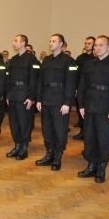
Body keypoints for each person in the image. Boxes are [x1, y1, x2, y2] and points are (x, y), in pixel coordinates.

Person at [77, 35, 109, 183]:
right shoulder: (89, 64)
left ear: (108, 47)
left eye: (101, 45)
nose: (97, 48)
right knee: (90, 137)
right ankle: (91, 165)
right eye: (96, 45)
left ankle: (101, 167)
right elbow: (82, 86)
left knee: (103, 138)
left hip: (106, 107)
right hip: (90, 105)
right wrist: (82, 105)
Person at [36, 34, 78, 171]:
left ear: (61, 44)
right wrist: (39, 99)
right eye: (50, 41)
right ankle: (49, 154)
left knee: (59, 130)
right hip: (46, 99)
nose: (51, 43)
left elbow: (71, 84)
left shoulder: (69, 61)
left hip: (60, 101)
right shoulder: (46, 60)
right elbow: (40, 82)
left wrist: (67, 102)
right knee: (47, 129)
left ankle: (58, 156)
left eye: (54, 41)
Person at [5, 34, 40, 160]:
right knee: (14, 122)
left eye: (16, 40)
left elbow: (34, 80)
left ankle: (24, 147)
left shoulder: (32, 59)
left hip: (24, 95)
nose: (14, 42)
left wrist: (31, 97)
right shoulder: (13, 59)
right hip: (13, 94)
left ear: (23, 43)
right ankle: (17, 145)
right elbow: (8, 78)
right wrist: (8, 95)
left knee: (24, 122)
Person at [73, 36, 96, 140]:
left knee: (90, 112)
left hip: (91, 89)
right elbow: (76, 74)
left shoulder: (96, 58)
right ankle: (82, 131)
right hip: (81, 88)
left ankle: (89, 133)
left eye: (89, 43)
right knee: (80, 110)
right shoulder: (80, 58)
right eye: (86, 43)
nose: (87, 45)